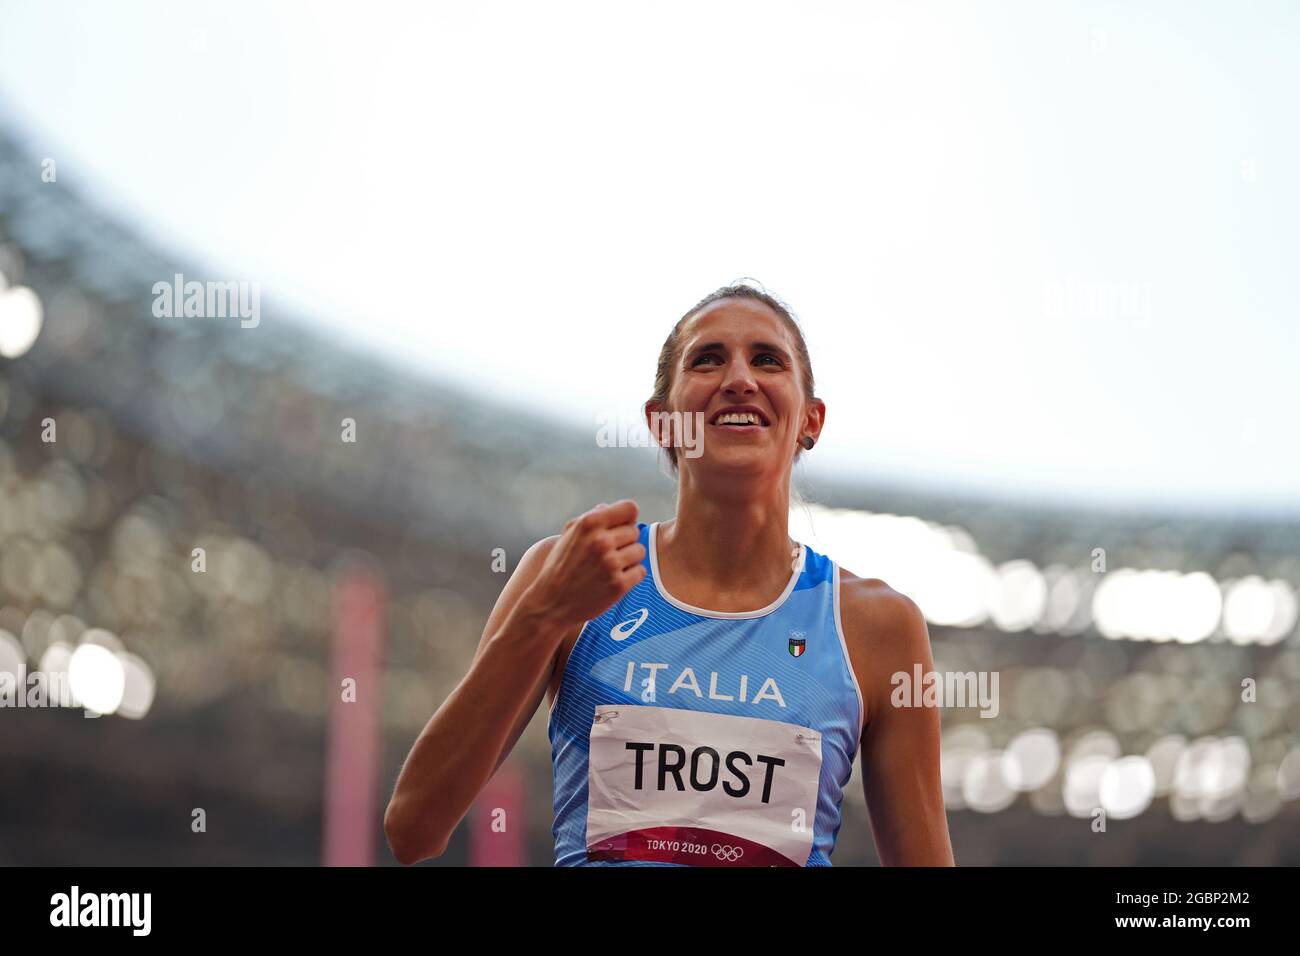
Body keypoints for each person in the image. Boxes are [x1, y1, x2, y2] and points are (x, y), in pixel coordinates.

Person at [384, 281, 955, 866]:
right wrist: (544, 615)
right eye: (707, 359)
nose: (739, 378)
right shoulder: (570, 579)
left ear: (812, 419)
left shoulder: (877, 628)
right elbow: (413, 827)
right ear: (660, 421)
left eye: (767, 360)